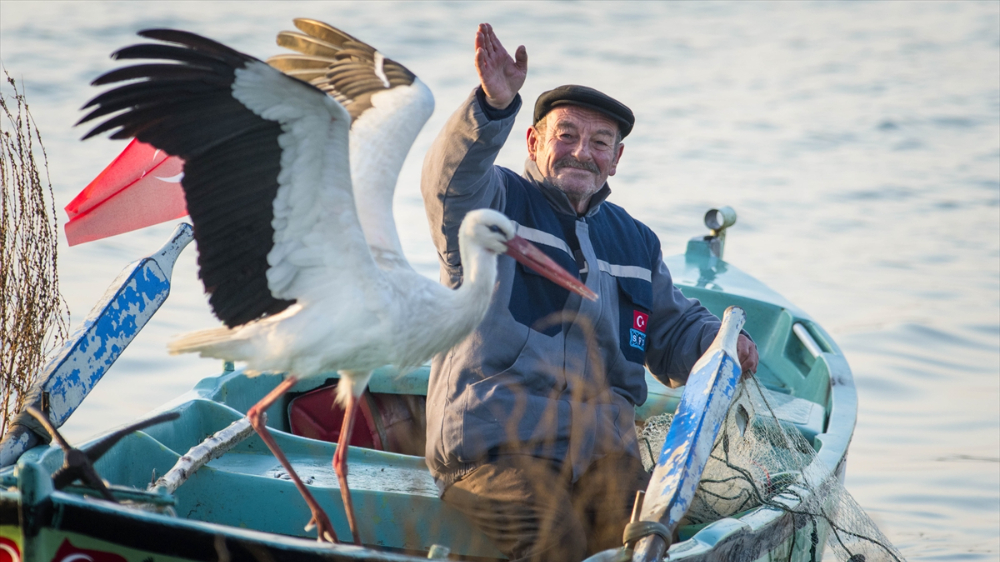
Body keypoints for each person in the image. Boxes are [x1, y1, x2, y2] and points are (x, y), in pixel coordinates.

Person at [420, 23, 759, 562]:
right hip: (496, 452)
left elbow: (671, 331)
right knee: (556, 542)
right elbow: (448, 181)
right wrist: (491, 107)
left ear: (616, 160)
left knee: (643, 542)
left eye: (600, 142)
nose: (583, 152)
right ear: (533, 141)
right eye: (567, 135)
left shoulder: (635, 241)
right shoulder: (493, 203)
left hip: (603, 455)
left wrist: (718, 343)